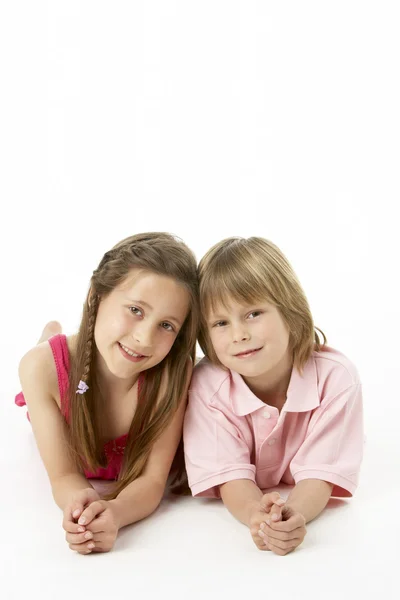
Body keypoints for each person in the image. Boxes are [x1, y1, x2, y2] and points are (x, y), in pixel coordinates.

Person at [16, 232, 199, 554]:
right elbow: (63, 476)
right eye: (136, 310)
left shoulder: (173, 373)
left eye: (167, 325)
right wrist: (79, 504)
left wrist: (114, 513)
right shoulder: (40, 370)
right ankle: (50, 335)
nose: (144, 338)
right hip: (62, 381)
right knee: (39, 359)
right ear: (96, 296)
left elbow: (153, 481)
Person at [183, 236, 363, 555]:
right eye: (221, 322)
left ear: (288, 310)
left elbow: (320, 473)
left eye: (253, 313)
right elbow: (230, 474)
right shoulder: (208, 384)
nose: (240, 334)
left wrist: (296, 515)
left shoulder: (337, 378)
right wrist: (256, 513)